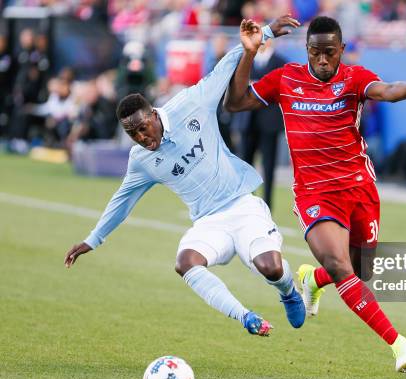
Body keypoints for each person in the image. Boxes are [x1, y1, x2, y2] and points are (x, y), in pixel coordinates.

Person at [224, 16, 406, 372]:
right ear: (307, 51)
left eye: (330, 52)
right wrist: (249, 53)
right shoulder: (286, 79)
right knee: (341, 265)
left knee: (361, 270)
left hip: (358, 187)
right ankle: (398, 344)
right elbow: (235, 103)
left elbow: (387, 91)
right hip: (314, 193)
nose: (323, 60)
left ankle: (314, 279)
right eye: (316, 53)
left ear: (341, 50)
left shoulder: (354, 77)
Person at [64, 17, 305, 337]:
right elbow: (121, 202)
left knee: (271, 268)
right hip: (209, 222)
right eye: (131, 133)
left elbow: (222, 72)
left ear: (152, 114)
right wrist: (92, 240)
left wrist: (265, 34)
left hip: (243, 208)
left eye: (141, 127)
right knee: (186, 261)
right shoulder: (141, 160)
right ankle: (246, 318)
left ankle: (288, 291)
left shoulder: (191, 104)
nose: (139, 136)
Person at [237, 39, 286, 209]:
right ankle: (248, 204)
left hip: (269, 122)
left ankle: (267, 205)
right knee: (246, 164)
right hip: (248, 120)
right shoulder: (248, 60)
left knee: (269, 166)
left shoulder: (280, 62)